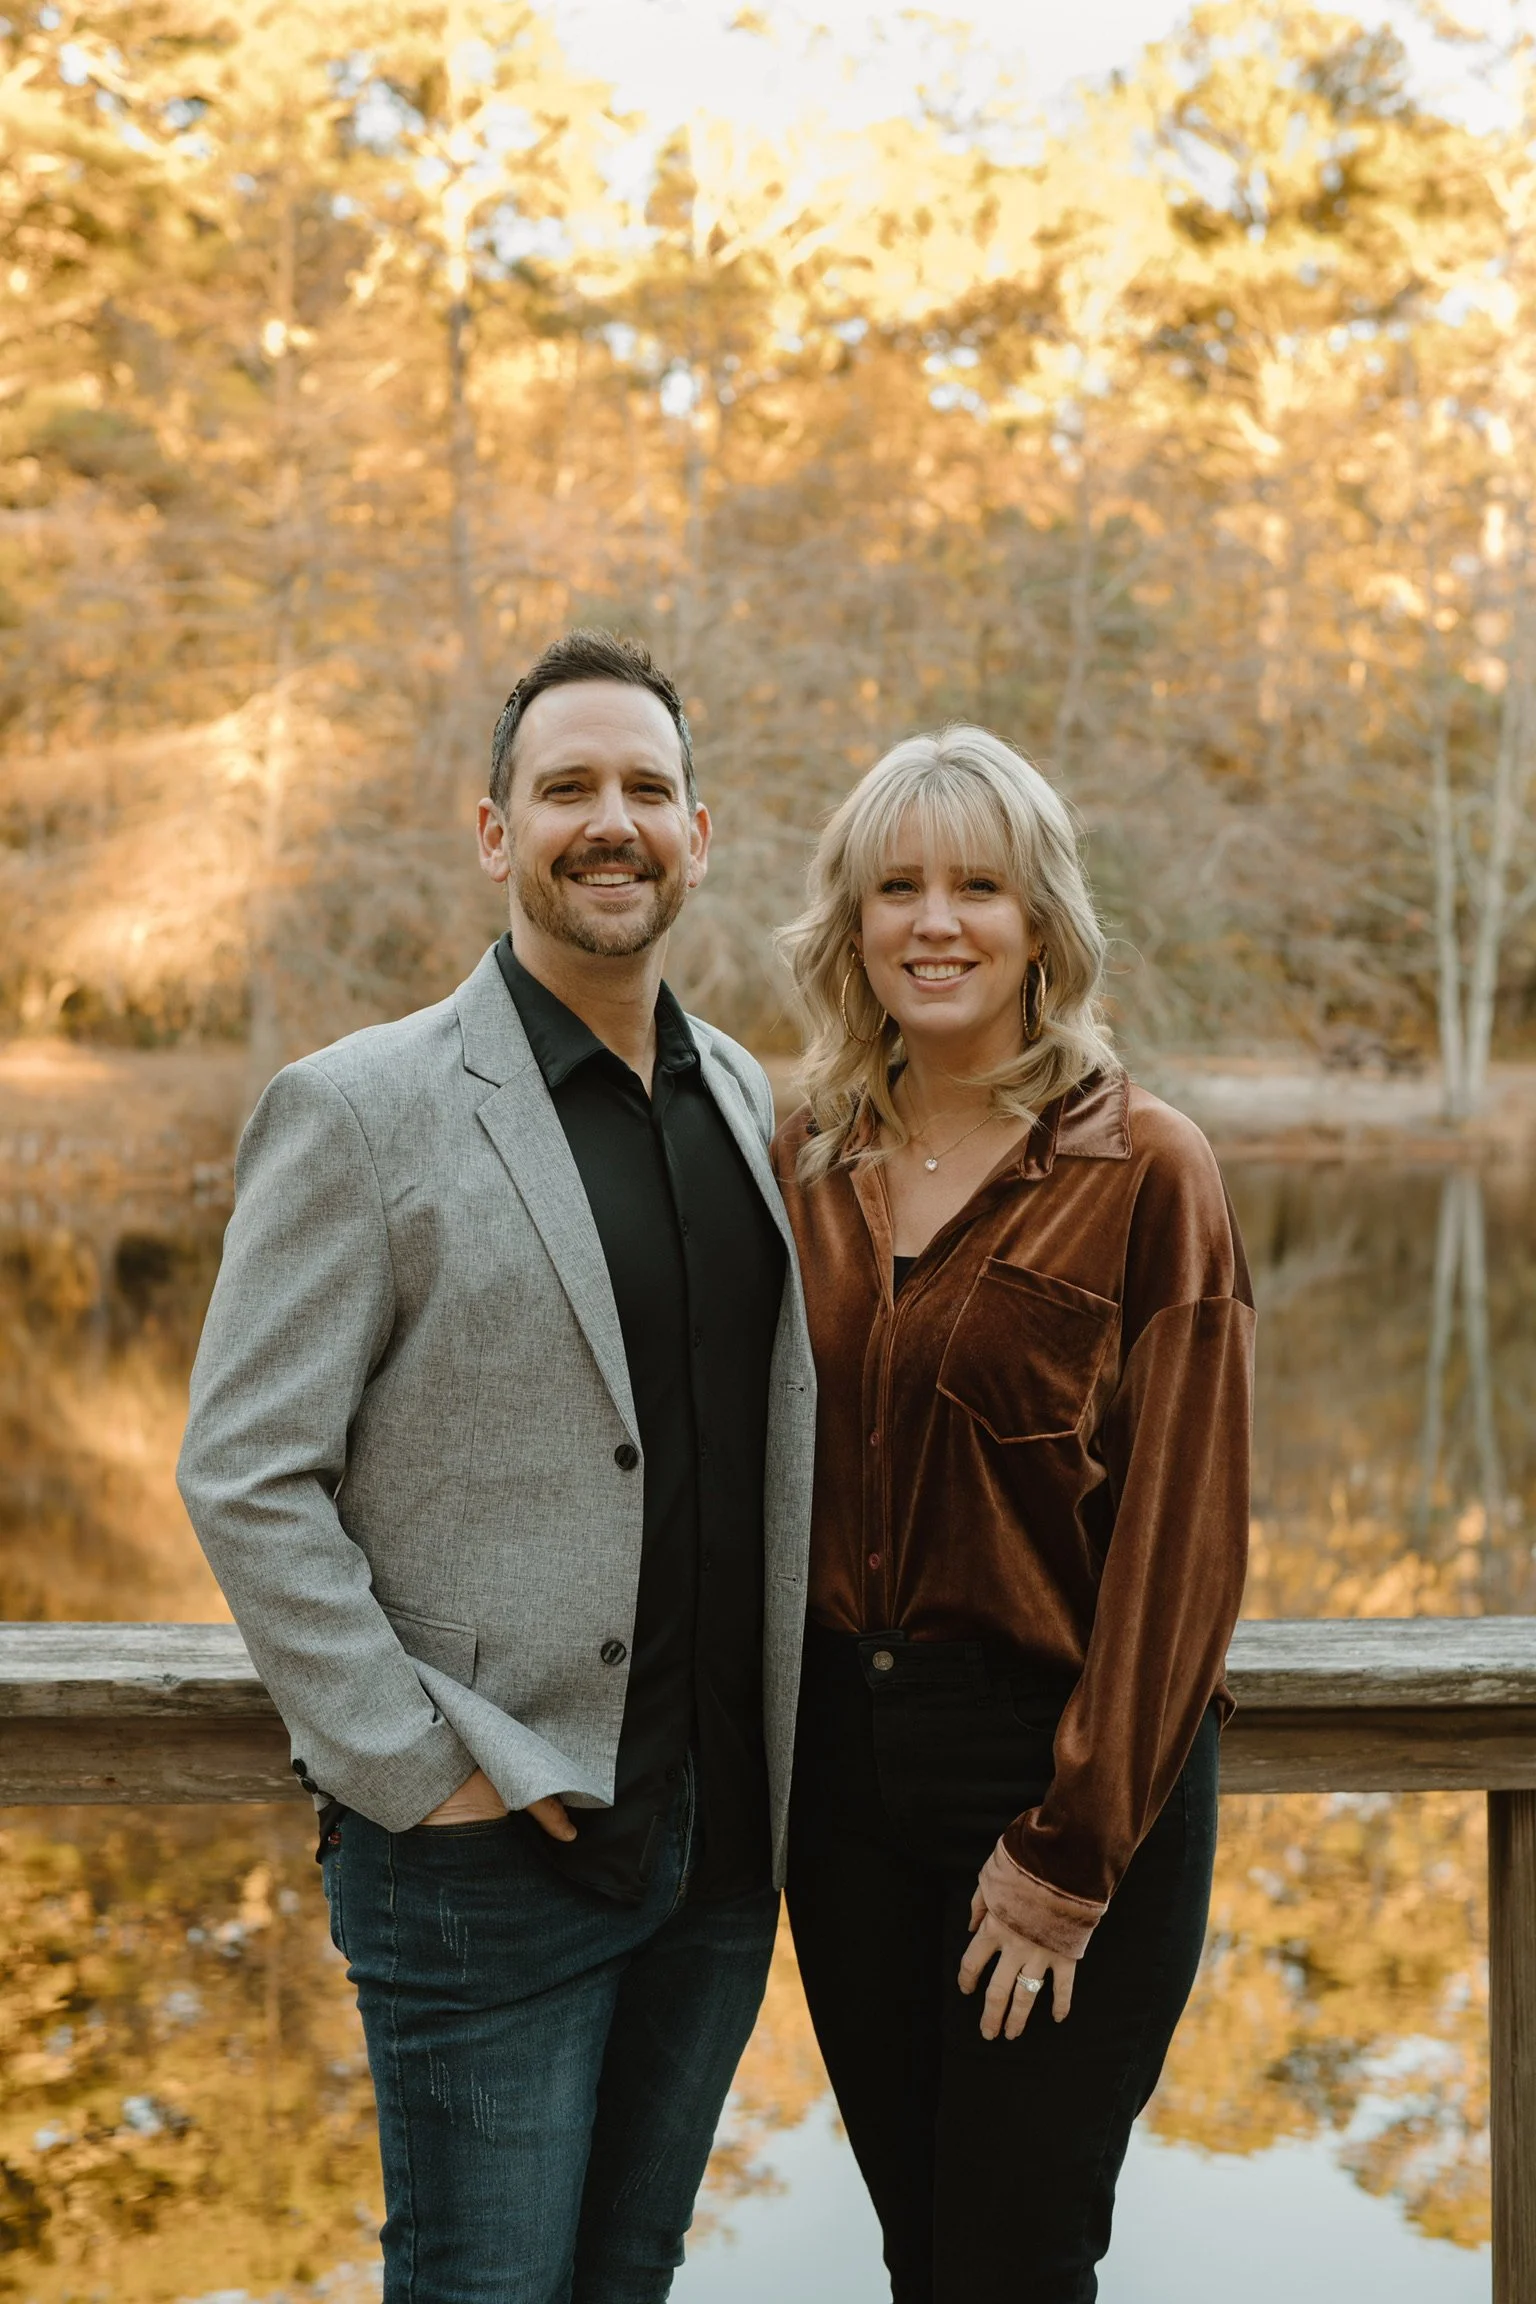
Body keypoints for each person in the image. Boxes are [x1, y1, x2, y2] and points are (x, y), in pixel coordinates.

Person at [176, 629, 815, 2304]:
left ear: (699, 836)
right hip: (485, 1857)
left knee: (630, 2276)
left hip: (719, 1855)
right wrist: (414, 1768)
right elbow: (245, 1469)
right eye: (567, 788)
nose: (611, 822)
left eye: (647, 790)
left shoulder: (748, 1099)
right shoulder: (358, 1110)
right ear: (494, 831)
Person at [771, 724, 1254, 2303]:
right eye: (896, 886)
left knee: (1015, 2264)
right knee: (924, 2253)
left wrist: (1069, 1849)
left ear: (1041, 918)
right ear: (851, 922)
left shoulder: (1147, 1169)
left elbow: (1183, 1554)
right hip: (844, 1791)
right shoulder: (807, 1156)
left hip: (1058, 1779)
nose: (936, 922)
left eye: (978, 886)